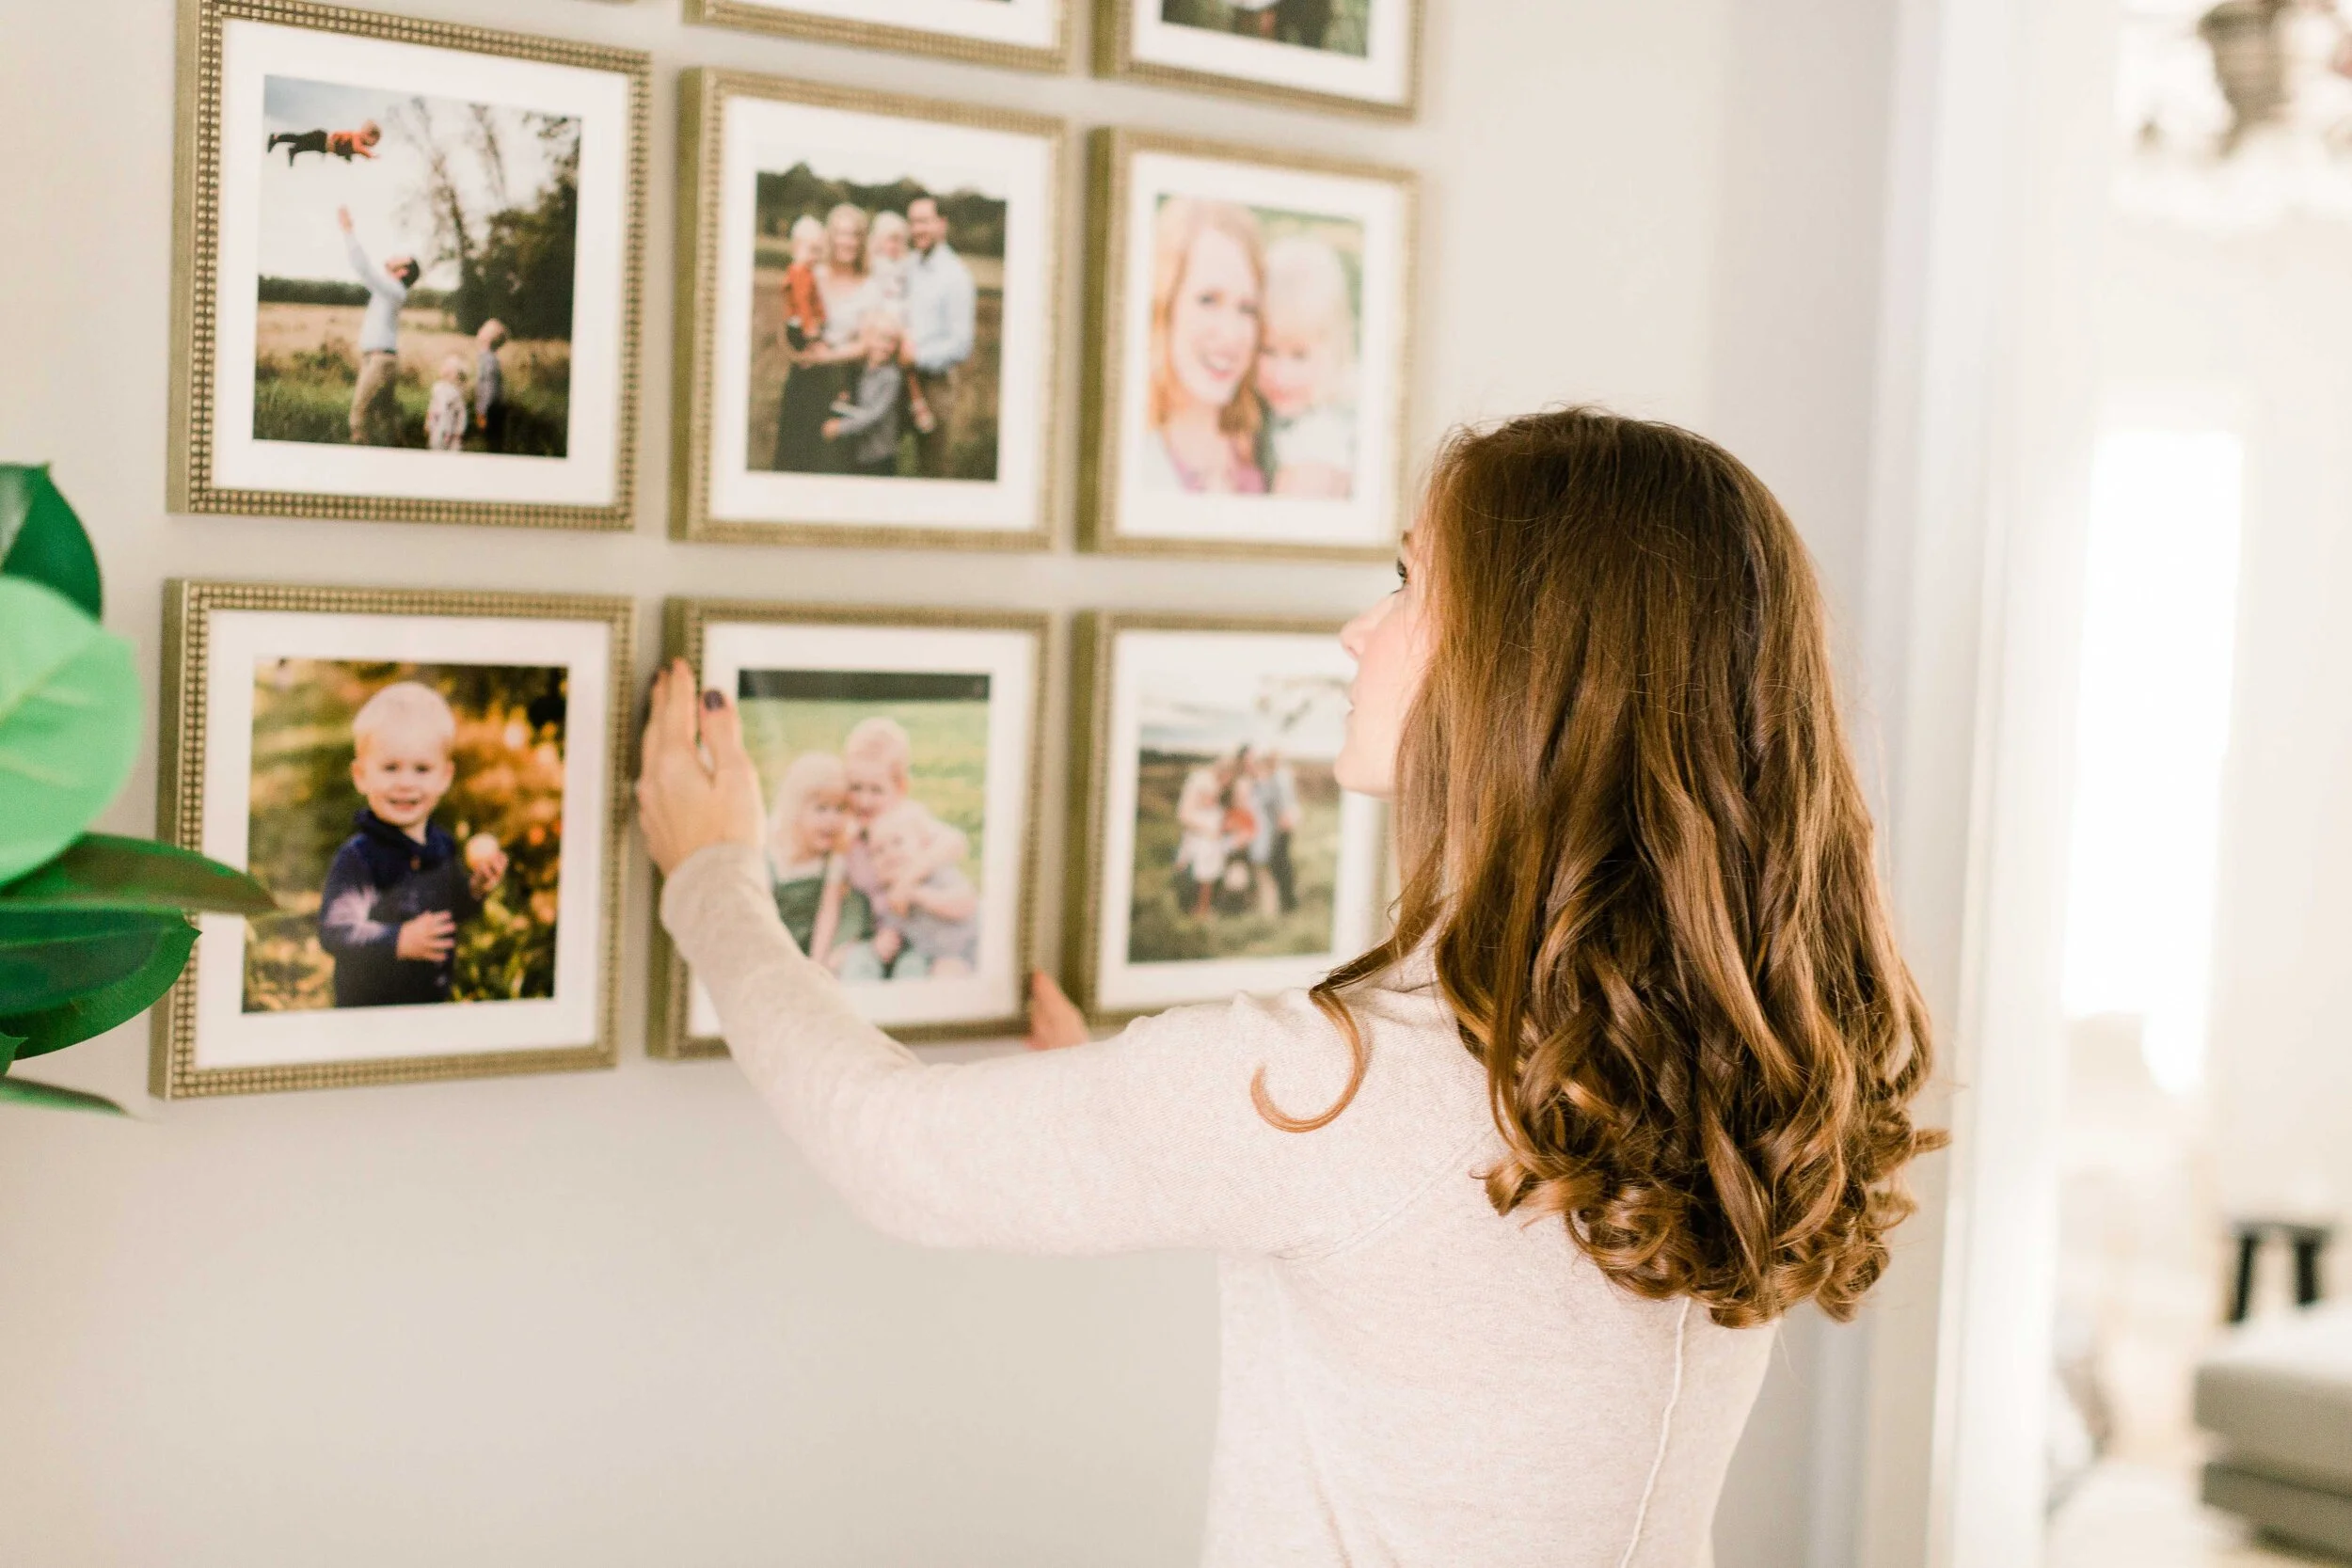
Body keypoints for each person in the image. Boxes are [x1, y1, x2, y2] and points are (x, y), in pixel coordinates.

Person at [636, 406, 1944, 1565]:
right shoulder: (1724, 1055)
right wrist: (1137, 1100)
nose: (1355, 627)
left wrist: (713, 878)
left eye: (1405, 581)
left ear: (1521, 666)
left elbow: (898, 1153)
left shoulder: (1335, 1090)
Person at [319, 681, 507, 1008]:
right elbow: (335, 930)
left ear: (444, 778)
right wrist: (397, 940)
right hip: (370, 1007)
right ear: (361, 775)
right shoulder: (359, 858)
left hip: (429, 1002)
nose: (406, 783)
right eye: (390, 768)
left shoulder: (442, 845)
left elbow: (451, 910)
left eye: (422, 769)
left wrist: (474, 890)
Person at [1142, 198, 1267, 495]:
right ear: (1165, 306)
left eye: (1247, 308)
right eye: (1208, 300)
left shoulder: (1272, 450)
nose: (1231, 333)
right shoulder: (1133, 458)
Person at [771, 203, 874, 474]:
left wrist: (826, 356)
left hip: (842, 381)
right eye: (840, 234)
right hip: (805, 376)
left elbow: (866, 345)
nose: (846, 242)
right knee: (794, 455)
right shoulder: (812, 274)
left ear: (862, 240)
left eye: (853, 235)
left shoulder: (869, 286)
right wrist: (799, 351)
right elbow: (790, 320)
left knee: (830, 461)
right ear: (829, 237)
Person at [1257, 236, 1358, 498]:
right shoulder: (1269, 416)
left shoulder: (1322, 438)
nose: (1282, 375)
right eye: (1268, 350)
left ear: (1333, 350)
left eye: (1299, 355)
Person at [764, 751, 870, 973]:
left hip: (816, 943)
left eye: (840, 809)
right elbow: (763, 915)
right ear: (796, 810)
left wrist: (817, 965)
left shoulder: (833, 858)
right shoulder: (773, 853)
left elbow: (827, 913)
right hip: (776, 941)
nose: (831, 820)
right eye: (821, 809)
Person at [863, 798, 979, 979]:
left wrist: (918, 895)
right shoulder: (889, 894)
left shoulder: (936, 875)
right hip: (931, 958)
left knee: (948, 973)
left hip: (968, 949)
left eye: (897, 842)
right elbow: (892, 926)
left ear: (922, 845)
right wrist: (885, 941)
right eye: (879, 851)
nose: (889, 853)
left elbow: (966, 905)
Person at [903, 196, 977, 479]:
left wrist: (917, 357)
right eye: (912, 222)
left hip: (934, 384)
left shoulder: (955, 276)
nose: (916, 229)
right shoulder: (909, 264)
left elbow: (961, 345)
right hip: (900, 376)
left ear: (941, 224)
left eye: (924, 221)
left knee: (932, 465)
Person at [337, 205, 421, 448]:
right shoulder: (390, 290)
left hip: (380, 361)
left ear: (402, 271)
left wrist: (348, 230)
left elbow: (364, 269)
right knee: (385, 420)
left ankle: (360, 462)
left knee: (358, 416)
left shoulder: (394, 290)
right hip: (378, 360)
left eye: (399, 259)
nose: (393, 257)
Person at [865, 210, 938, 445]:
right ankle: (914, 403)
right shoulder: (873, 265)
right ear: (878, 240)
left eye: (900, 240)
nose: (895, 245)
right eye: (890, 239)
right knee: (897, 344)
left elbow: (909, 299)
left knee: (908, 348)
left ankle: (915, 401)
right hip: (880, 320)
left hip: (900, 320)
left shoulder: (905, 267)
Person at [821, 310, 909, 479]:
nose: (885, 346)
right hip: (860, 449)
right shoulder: (862, 368)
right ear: (866, 339)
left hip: (880, 452)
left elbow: (873, 415)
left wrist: (840, 427)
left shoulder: (891, 377)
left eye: (891, 342)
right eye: (880, 339)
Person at [1172, 752, 1238, 918]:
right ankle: (1194, 909)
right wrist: (1208, 829)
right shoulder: (1200, 780)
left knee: (1209, 874)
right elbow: (1185, 814)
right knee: (1198, 873)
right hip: (1200, 837)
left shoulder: (1219, 791)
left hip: (1211, 839)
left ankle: (1203, 908)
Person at [1248, 746, 1300, 915]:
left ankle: (1285, 904)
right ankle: (1279, 904)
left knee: (1279, 866)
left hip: (1277, 829)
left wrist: (1284, 819)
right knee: (1275, 866)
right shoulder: (1269, 779)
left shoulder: (1278, 778)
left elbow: (1282, 803)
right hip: (1269, 830)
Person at [267, 119, 379, 166]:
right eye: (372, 142)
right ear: (368, 135)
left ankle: (293, 150)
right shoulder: (357, 136)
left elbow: (349, 149)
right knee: (299, 139)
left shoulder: (357, 145)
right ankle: (276, 138)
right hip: (321, 138)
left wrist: (347, 157)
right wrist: (370, 155)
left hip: (323, 147)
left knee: (305, 146)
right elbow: (358, 147)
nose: (371, 145)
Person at [472, 319, 509, 453]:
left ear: (487, 339)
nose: (479, 330)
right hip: (493, 408)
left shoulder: (487, 360)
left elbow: (489, 388)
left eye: (482, 329)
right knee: (492, 442)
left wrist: (482, 411)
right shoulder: (489, 358)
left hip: (490, 410)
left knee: (491, 443)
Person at [424, 356, 469, 452]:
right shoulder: (437, 388)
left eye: (451, 371)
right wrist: (428, 423)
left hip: (450, 427)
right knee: (435, 446)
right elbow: (432, 408)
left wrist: (459, 430)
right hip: (437, 426)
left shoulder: (456, 392)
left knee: (452, 449)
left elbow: (461, 413)